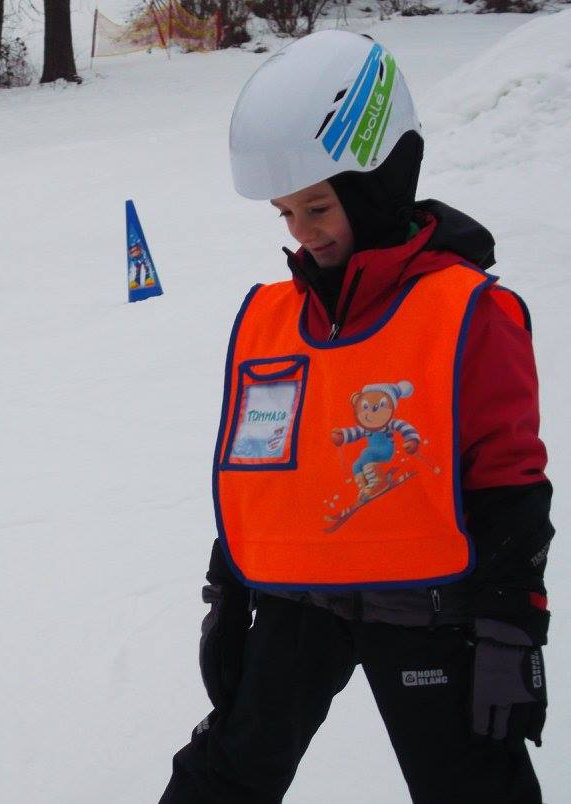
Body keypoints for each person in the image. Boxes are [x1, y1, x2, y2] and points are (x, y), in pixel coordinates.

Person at [161, 31, 552, 804]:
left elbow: (509, 476)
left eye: (318, 206)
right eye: (285, 212)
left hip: (427, 608)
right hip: (297, 601)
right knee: (224, 775)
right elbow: (259, 469)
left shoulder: (468, 312)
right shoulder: (275, 321)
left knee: (471, 787)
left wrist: (512, 622)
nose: (301, 232)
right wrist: (229, 590)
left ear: (378, 184)